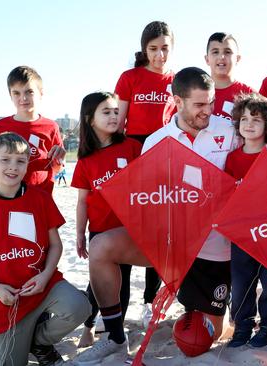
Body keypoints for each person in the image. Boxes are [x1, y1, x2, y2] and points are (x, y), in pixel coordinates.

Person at [74, 67, 238, 364]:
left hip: (214, 247)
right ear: (178, 100)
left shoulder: (229, 131)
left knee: (206, 335)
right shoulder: (155, 141)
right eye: (199, 105)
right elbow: (149, 202)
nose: (208, 111)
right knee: (101, 247)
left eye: (211, 103)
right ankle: (114, 337)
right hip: (171, 243)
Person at [0, 132, 90, 366]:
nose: (13, 166)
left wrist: (45, 276)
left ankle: (38, 341)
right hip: (5, 299)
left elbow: (56, 245)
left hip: (43, 285)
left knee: (80, 307)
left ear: (27, 165)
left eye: (20, 161)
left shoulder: (39, 198)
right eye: (5, 159)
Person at [115, 20, 177, 325]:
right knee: (130, 225)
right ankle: (115, 304)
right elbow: (118, 124)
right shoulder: (130, 77)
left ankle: (150, 299)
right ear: (144, 49)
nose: (160, 55)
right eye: (153, 49)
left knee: (160, 230)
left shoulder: (177, 80)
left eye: (165, 48)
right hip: (135, 153)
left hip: (166, 157)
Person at [70, 92, 142, 348]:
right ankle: (89, 326)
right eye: (106, 112)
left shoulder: (132, 147)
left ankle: (116, 331)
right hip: (100, 232)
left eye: (115, 111)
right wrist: (80, 233)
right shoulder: (86, 160)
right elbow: (82, 201)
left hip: (128, 231)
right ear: (90, 119)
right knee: (98, 285)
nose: (114, 116)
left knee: (123, 282)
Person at [225, 93, 267, 348]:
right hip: (241, 234)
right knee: (241, 283)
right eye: (244, 118)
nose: (249, 124)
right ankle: (243, 326)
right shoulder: (233, 159)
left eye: (256, 119)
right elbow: (226, 195)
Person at [0, 66, 65, 195]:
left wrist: (59, 160)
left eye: (29, 92)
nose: (23, 98)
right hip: (6, 196)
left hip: (40, 196)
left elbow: (57, 167)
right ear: (10, 95)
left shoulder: (51, 127)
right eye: (17, 93)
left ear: (41, 93)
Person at [205, 32, 255, 121]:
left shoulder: (249, 94)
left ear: (237, 58)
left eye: (227, 52)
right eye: (215, 52)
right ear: (207, 59)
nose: (221, 56)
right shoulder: (195, 93)